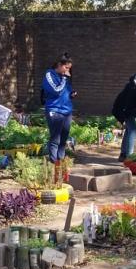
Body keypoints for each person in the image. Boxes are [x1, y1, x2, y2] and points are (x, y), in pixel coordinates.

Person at [41, 52, 77, 180]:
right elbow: (56, 91)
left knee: (63, 139)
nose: (68, 71)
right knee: (55, 139)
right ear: (60, 65)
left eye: (69, 68)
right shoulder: (49, 74)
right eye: (66, 68)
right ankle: (53, 165)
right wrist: (64, 78)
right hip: (55, 110)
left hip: (67, 110)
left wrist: (72, 93)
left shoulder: (64, 78)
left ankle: (61, 164)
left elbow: (65, 91)